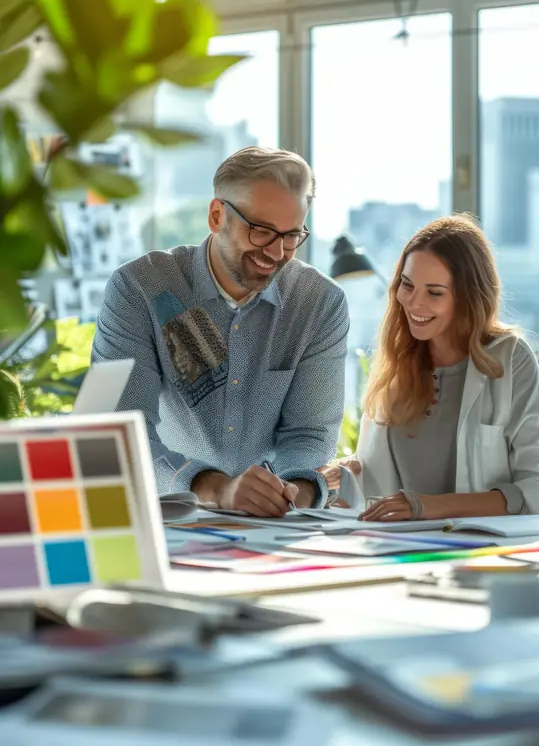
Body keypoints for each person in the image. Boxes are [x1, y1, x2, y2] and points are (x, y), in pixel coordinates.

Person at [92, 146, 349, 517]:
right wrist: (214, 488)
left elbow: (309, 433)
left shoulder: (319, 303)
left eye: (291, 236)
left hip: (273, 522)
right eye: (261, 231)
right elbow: (121, 428)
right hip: (164, 515)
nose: (276, 252)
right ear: (216, 215)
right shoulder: (142, 288)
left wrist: (295, 491)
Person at [322, 214, 539, 520]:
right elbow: (388, 475)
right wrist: (348, 471)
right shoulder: (398, 359)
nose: (414, 304)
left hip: (481, 554)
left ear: (468, 297)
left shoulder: (511, 358)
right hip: (401, 550)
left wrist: (428, 507)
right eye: (407, 286)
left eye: (434, 293)